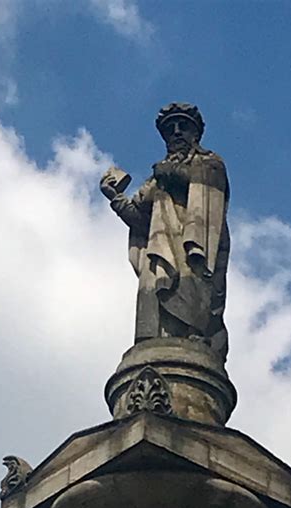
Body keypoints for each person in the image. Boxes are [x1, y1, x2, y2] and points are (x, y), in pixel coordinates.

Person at [100, 102, 230, 361]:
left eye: (184, 127)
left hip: (194, 247)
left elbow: (206, 187)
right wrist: (115, 197)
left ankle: (195, 339)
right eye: (170, 129)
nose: (177, 132)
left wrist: (170, 172)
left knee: (193, 287)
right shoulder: (156, 177)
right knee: (153, 294)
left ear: (196, 134)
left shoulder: (209, 163)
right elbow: (138, 217)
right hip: (158, 252)